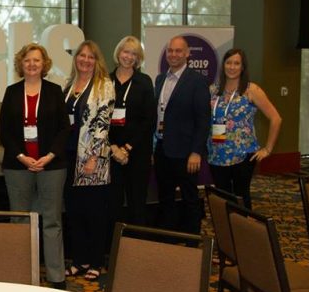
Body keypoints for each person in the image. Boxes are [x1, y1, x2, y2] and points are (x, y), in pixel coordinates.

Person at [0, 43, 70, 289]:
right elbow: (4, 130)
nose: (32, 64)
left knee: (51, 221)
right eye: (27, 60)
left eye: (36, 60)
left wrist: (49, 156)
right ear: (21, 64)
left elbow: (64, 129)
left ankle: (56, 277)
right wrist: (21, 156)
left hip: (52, 166)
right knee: (19, 221)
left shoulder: (54, 91)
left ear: (44, 64)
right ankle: (20, 276)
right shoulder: (11, 92)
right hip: (18, 166)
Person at [62, 41, 114, 282]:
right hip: (69, 157)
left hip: (92, 158)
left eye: (90, 56)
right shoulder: (69, 84)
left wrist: (93, 157)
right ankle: (80, 260)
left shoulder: (104, 85)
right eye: (81, 55)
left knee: (94, 213)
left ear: (97, 60)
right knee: (75, 212)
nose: (85, 60)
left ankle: (95, 262)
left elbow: (103, 124)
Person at [208, 48, 282, 209]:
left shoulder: (251, 90)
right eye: (228, 63)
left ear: (243, 67)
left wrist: (268, 149)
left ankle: (243, 230)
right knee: (221, 197)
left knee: (241, 197)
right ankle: (226, 232)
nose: (232, 67)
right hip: (216, 153)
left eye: (236, 63)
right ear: (223, 65)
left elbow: (276, 118)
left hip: (243, 154)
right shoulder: (213, 90)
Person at [153, 35, 210, 234]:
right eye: (170, 51)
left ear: (187, 54)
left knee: (190, 199)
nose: (174, 54)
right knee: (166, 198)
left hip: (186, 154)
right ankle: (168, 241)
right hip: (162, 149)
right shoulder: (160, 79)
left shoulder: (197, 81)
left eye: (178, 51)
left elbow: (203, 120)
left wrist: (196, 152)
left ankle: (192, 242)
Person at [108, 36, 156, 227]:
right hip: (110, 153)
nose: (128, 57)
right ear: (118, 52)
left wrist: (127, 148)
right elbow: (99, 119)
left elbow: (149, 120)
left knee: (137, 205)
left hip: (137, 153)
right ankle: (112, 251)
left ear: (138, 58)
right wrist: (114, 148)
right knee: (112, 204)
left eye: (133, 54)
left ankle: (137, 251)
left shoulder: (144, 82)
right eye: (125, 51)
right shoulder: (105, 81)